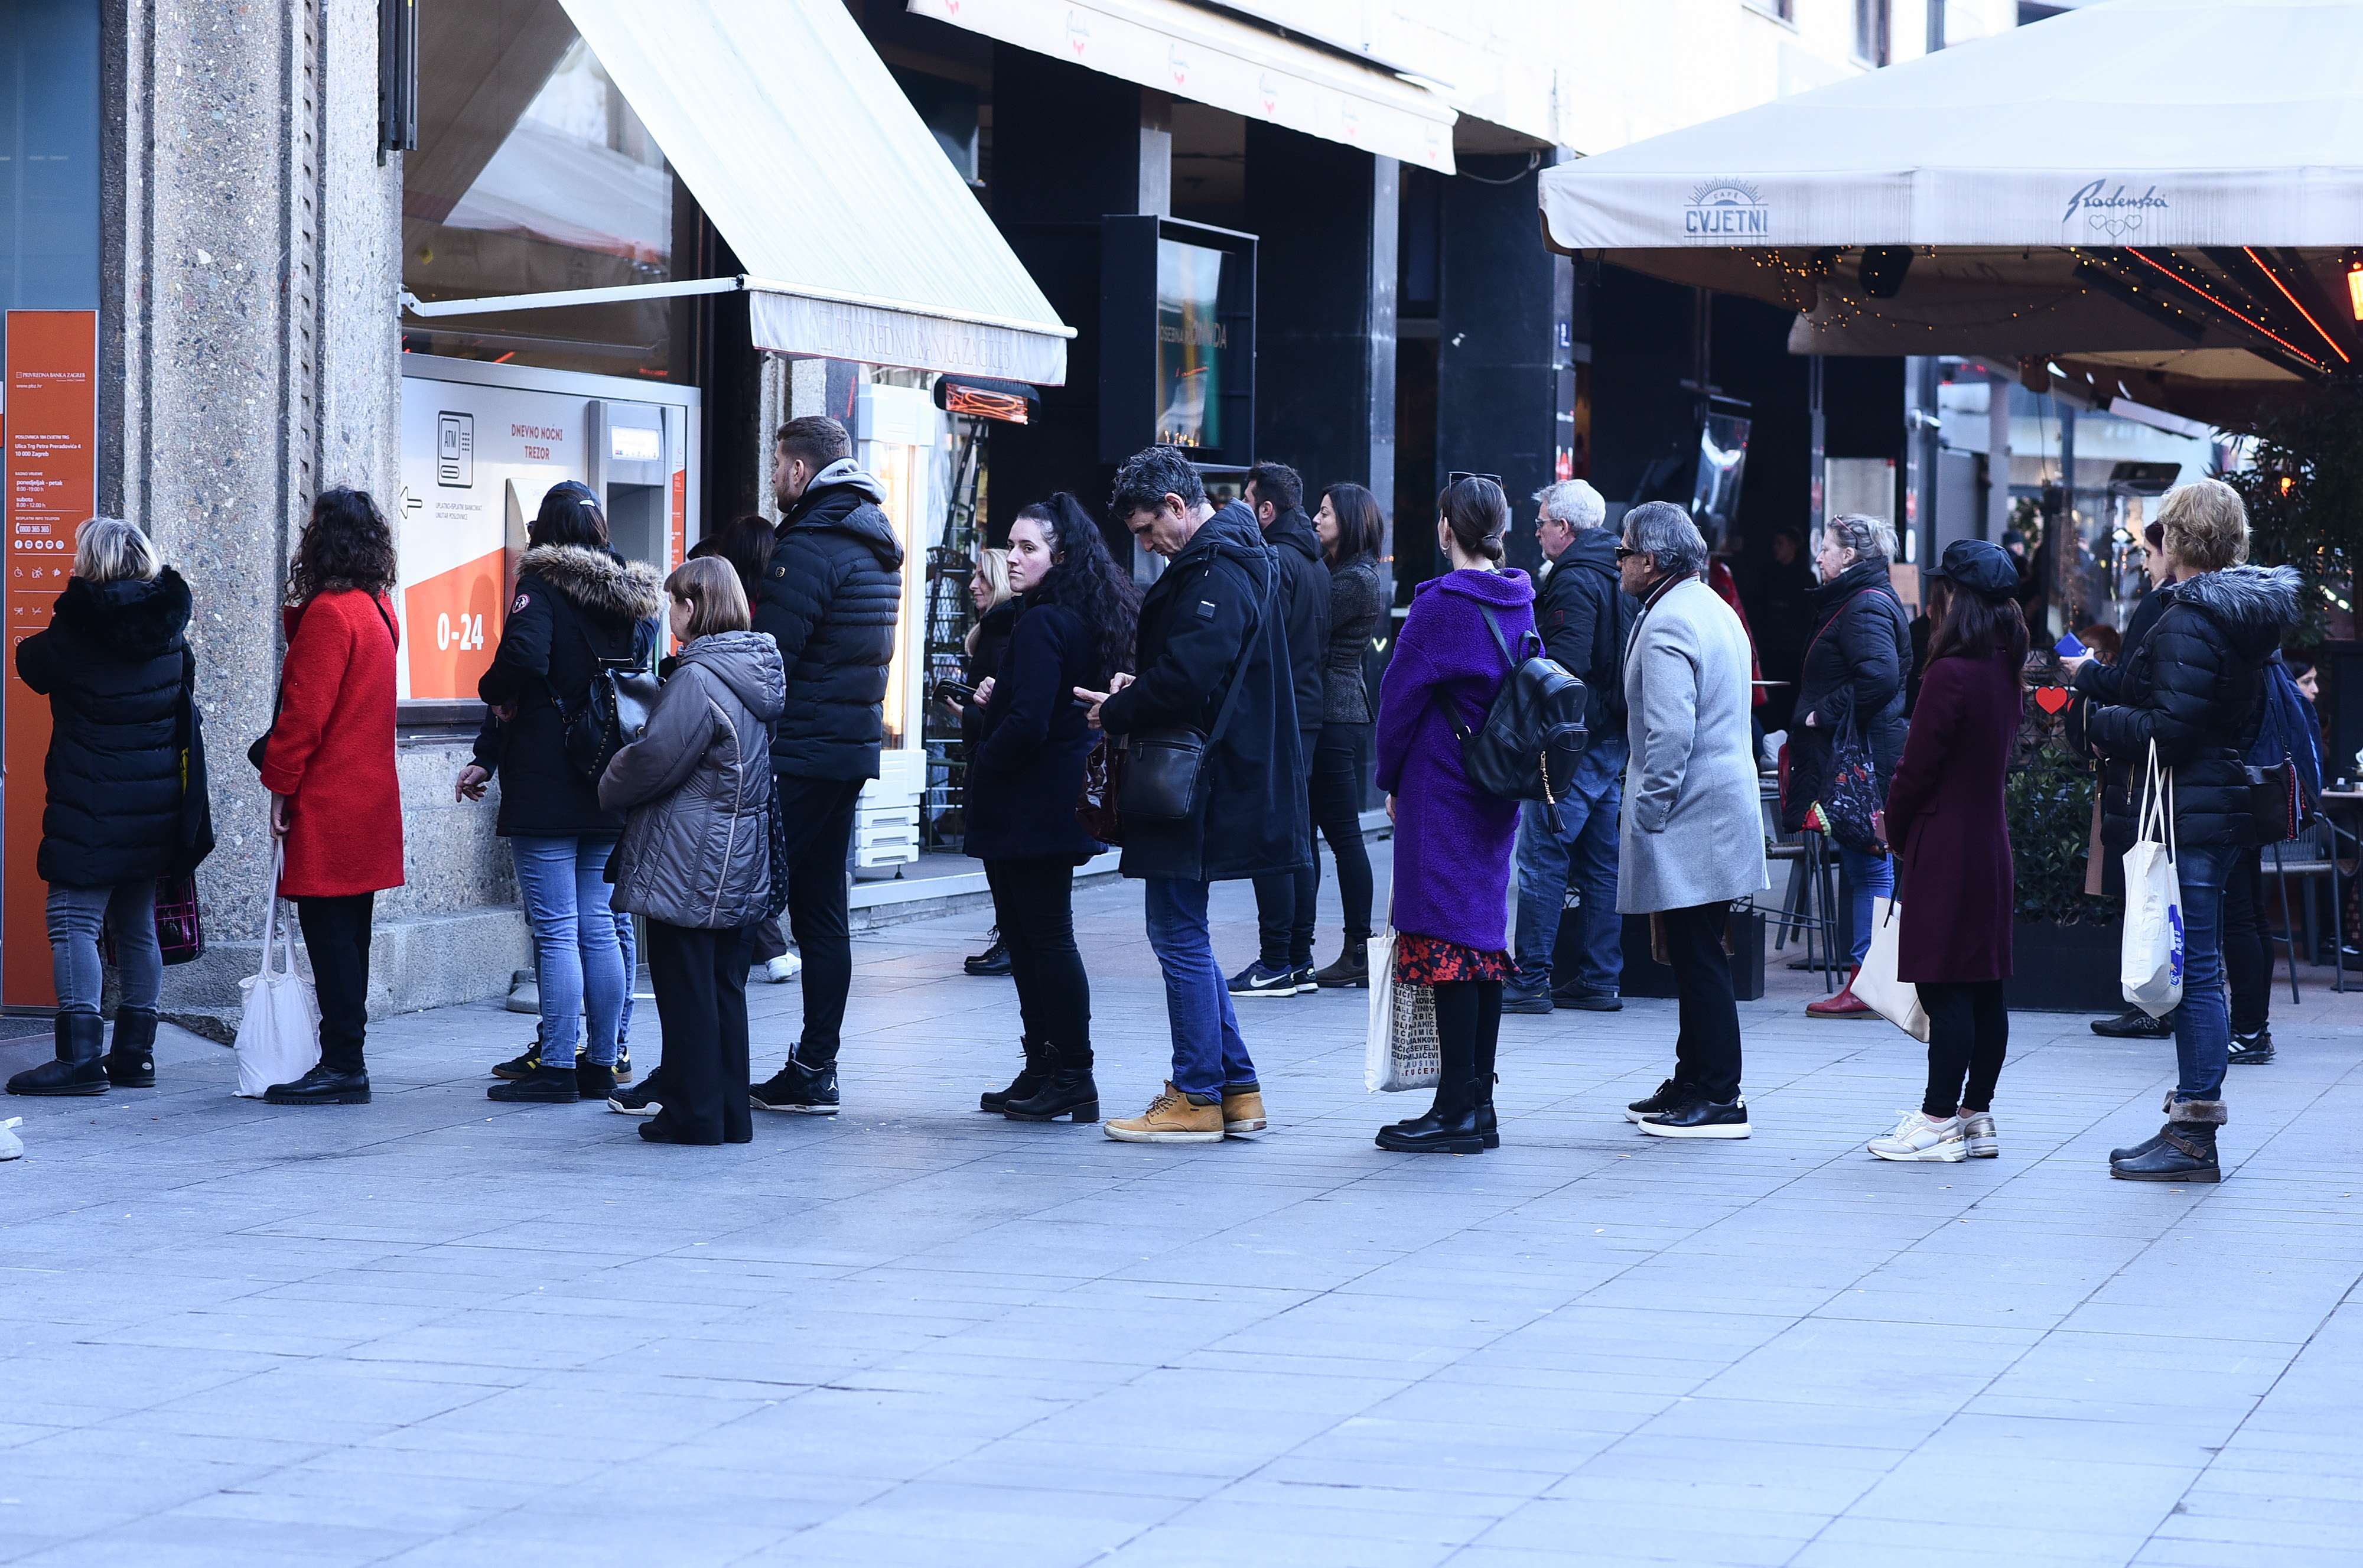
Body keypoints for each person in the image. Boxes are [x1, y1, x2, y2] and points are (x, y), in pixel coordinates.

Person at [2066, 480, 2299, 1183]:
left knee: (2196, 971)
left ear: (2182, 539)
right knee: (2198, 965)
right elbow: (2168, 696)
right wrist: (2096, 685)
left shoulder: (2189, 617)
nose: (2154, 546)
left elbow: (2169, 728)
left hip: (2194, 810)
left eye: (2162, 532)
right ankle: (2186, 1121)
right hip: (2214, 803)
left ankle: (2195, 1131)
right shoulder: (2231, 613)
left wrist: (2087, 721)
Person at [1079, 447, 1306, 1144]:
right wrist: (1135, 689)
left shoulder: (1217, 566)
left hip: (1197, 779)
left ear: (1179, 506)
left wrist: (1118, 709)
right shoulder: (1229, 558)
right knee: (1182, 930)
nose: (1146, 546)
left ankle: (1196, 1092)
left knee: (1176, 929)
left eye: (1149, 529)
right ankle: (1235, 1088)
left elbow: (1188, 677)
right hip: (1208, 771)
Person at [463, 482, 662, 1105]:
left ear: (546, 530)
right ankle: (602, 1061)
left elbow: (524, 653)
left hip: (549, 771)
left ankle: (555, 1067)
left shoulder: (541, 584)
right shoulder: (630, 594)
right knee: (598, 926)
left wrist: (489, 684)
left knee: (555, 930)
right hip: (608, 774)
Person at [1371, 478, 1535, 1154]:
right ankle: (1479, 1103)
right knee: (1481, 941)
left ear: (1446, 527)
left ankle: (1453, 1110)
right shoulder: (1519, 595)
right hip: (1496, 787)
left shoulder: (1441, 604)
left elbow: (1397, 699)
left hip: (1441, 786)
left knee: (1445, 941)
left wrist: (1389, 779)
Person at [7, 519, 198, 1097]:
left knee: (74, 921)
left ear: (88, 563)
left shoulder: (78, 631)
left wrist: (69, 605)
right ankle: (135, 1054)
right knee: (137, 922)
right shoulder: (171, 632)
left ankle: (79, 1060)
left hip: (91, 804)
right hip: (155, 804)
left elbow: (30, 663)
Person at [968, 493, 1140, 1123]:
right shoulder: (1069, 615)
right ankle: (1047, 1066)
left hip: (1029, 802)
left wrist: (985, 744)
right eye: (1010, 545)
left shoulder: (1045, 622)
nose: (1012, 557)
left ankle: (1069, 1072)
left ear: (1059, 555)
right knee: (1029, 936)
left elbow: (1028, 722)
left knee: (1041, 937)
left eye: (1027, 547)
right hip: (1044, 800)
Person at [748, 416, 903, 1115]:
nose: (776, 476)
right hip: (845, 750)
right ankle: (816, 1064)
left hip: (800, 752)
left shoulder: (809, 542)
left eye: (780, 464)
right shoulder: (870, 538)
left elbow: (770, 654)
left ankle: (704, 1065)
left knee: (743, 901)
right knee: (821, 912)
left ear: (802, 471)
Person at [600, 559, 783, 1144]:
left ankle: (695, 1114)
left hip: (690, 854)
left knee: (688, 988)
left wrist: (610, 775)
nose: (668, 610)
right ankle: (729, 1111)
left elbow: (655, 758)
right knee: (724, 986)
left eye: (675, 601)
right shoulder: (752, 671)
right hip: (737, 852)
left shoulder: (698, 678)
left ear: (696, 606)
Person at [1866, 541, 2027, 1163]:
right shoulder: (2002, 667)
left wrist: (1896, 831)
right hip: (1988, 841)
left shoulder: (1950, 672)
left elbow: (1914, 770)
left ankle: (1936, 1119)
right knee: (1985, 986)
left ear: (1953, 597)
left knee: (1941, 985)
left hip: (1944, 841)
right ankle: (1975, 1114)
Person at [1616, 502, 1769, 1138]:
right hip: (1713, 805)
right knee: (1694, 951)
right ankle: (1691, 1077)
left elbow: (1670, 732)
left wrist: (1648, 810)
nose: (1618, 562)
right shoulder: (1707, 606)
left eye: (1623, 552)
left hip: (1690, 813)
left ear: (1650, 561)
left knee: (1699, 955)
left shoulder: (1668, 621)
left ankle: (1719, 1093)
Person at [256, 488, 405, 1106]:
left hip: (331, 798)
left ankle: (343, 1063)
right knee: (352, 935)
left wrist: (279, 787)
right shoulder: (379, 608)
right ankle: (347, 1055)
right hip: (369, 796)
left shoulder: (332, 613)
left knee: (330, 935)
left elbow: (303, 719)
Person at [1504, 479, 1633, 1016]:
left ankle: (1532, 977)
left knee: (1542, 856)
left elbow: (1567, 666)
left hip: (1576, 742)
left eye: (1540, 523)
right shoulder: (1615, 568)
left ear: (1565, 527)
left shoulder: (1575, 578)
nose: (1535, 532)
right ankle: (1600, 978)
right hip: (1610, 736)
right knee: (1602, 862)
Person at [1782, 513, 1911, 1020]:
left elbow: (1879, 677)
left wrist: (1823, 713)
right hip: (1861, 749)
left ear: (1851, 556)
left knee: (1868, 863)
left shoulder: (1862, 607)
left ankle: (1866, 982)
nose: (1819, 555)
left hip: (1862, 753)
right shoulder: (1860, 601)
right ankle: (1869, 979)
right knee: (1868, 862)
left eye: (1827, 547)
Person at [1227, 461, 1331, 999]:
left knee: (1275, 838)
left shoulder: (1277, 562)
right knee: (1298, 839)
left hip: (1282, 712)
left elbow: (1258, 643)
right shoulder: (1314, 563)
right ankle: (1297, 958)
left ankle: (1276, 960)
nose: (1243, 509)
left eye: (1248, 500)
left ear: (1267, 510)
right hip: (1308, 711)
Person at [2088, 521, 2182, 1043]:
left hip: (2155, 775)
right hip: (2192, 779)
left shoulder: (2165, 604)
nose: (2144, 564)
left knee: (2148, 887)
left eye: (2148, 553)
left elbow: (2134, 688)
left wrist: (2088, 684)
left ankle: (2153, 1003)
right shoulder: (2228, 608)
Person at [699, 516, 801, 988]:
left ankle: (762, 944)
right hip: (774, 745)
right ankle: (771, 945)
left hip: (732, 753)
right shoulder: (779, 601)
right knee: (760, 845)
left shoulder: (731, 612)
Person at [1306, 482, 1386, 988]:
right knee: (1316, 832)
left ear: (1351, 521)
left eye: (1326, 513)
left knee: (1342, 834)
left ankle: (1358, 948)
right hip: (1331, 712)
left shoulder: (1354, 579)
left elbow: (1306, 627)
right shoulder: (1339, 571)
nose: (1316, 519)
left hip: (1336, 715)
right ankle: (1300, 943)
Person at [960, 547, 1021, 979]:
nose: (973, 584)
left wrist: (962, 710)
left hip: (994, 763)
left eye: (983, 576)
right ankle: (1011, 940)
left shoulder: (999, 636)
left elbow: (999, 711)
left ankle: (1011, 942)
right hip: (992, 760)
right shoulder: (999, 630)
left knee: (1002, 862)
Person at [1747, 525, 1816, 732]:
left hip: (1794, 653)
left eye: (1781, 544)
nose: (1776, 549)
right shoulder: (1766, 576)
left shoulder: (1805, 578)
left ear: (1794, 546)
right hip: (1769, 650)